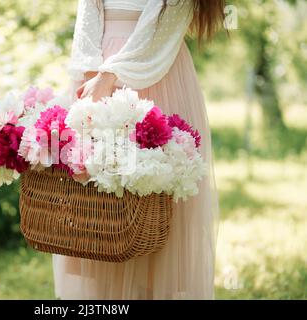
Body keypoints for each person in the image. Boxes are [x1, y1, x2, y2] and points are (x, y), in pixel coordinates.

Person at [52, 0, 224, 299]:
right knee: (95, 205)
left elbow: (164, 26)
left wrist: (108, 76)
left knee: (149, 197)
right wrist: (91, 74)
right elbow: (89, 10)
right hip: (94, 72)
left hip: (155, 71)